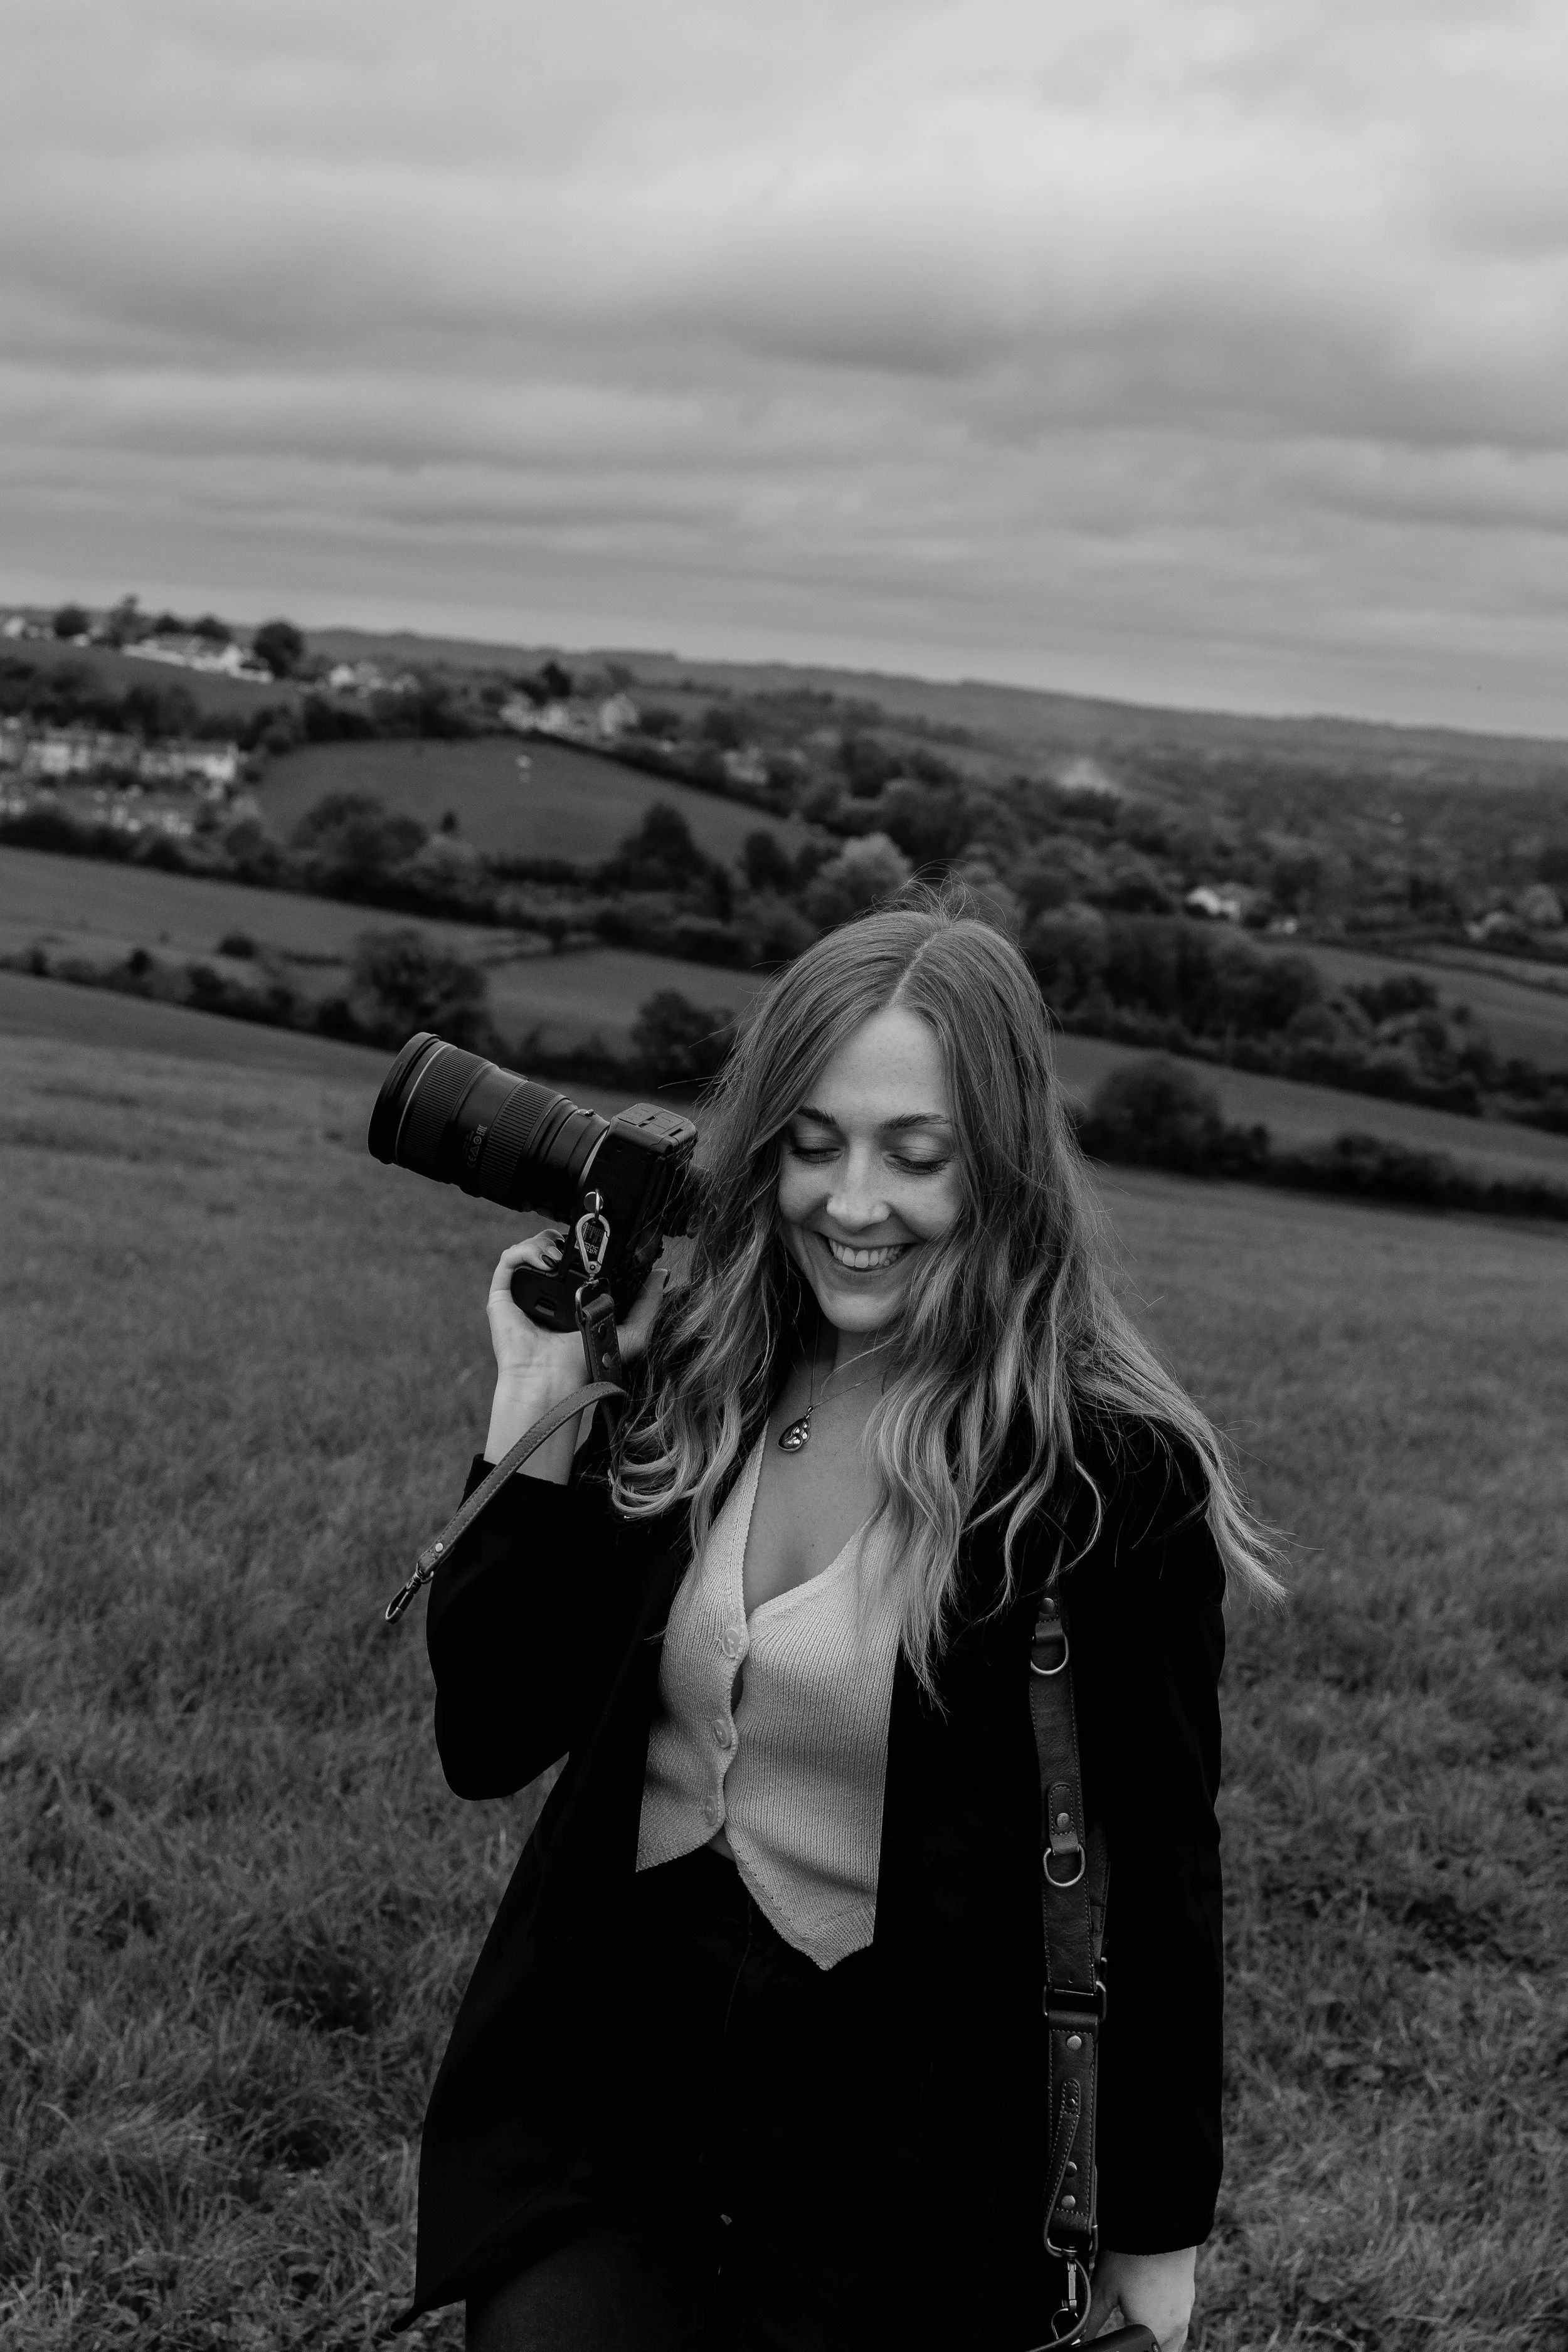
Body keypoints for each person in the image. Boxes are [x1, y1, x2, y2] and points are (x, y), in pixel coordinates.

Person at [402, 893, 1279, 2352]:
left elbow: (1164, 1873)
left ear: (999, 1167)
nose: (851, 1205)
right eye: (810, 1145)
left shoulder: (1105, 1477)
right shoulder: (701, 1370)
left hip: (909, 2150)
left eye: (913, 1155)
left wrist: (1153, 2231)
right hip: (622, 2107)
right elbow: (489, 1730)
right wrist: (533, 1414)